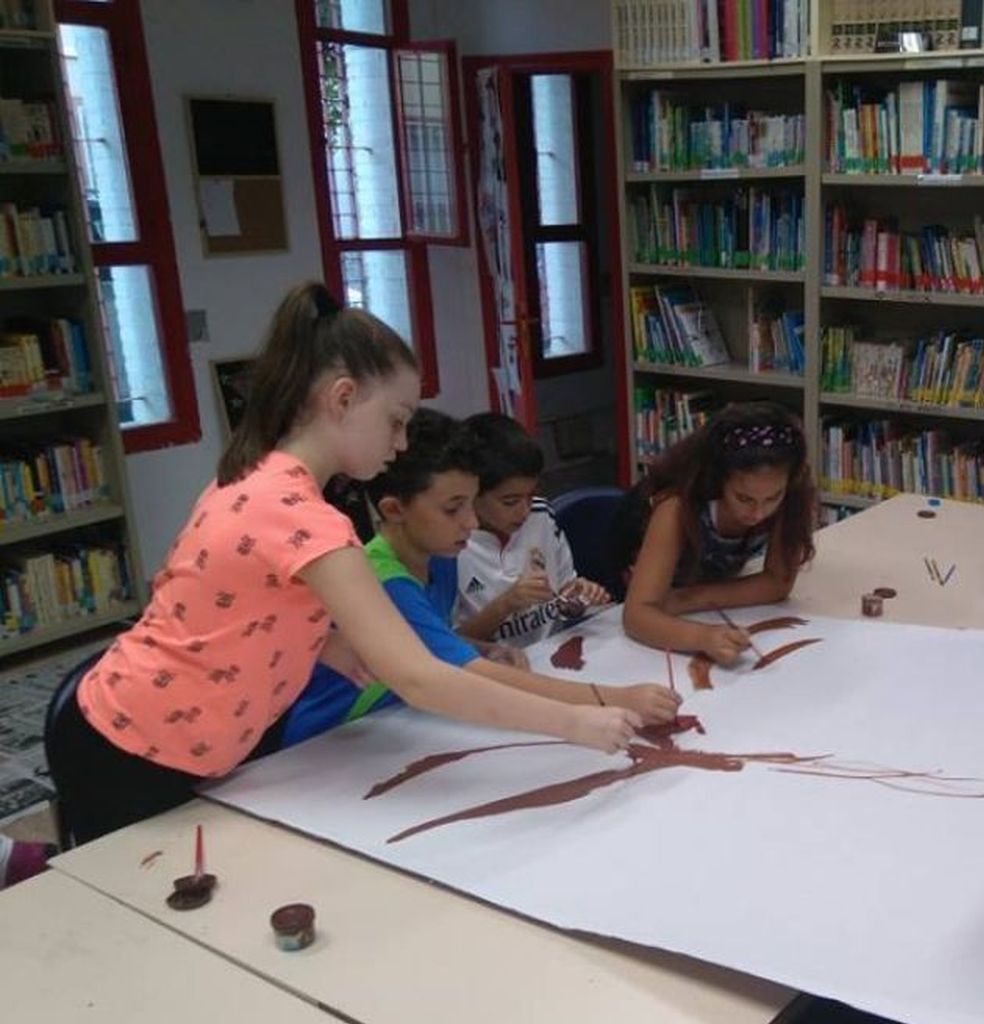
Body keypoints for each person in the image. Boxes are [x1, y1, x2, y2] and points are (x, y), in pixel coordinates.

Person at [47, 283, 642, 847]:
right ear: (343, 399)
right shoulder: (307, 520)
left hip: (182, 733)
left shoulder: (256, 474)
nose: (401, 443)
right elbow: (421, 677)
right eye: (396, 421)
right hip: (133, 745)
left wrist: (318, 638)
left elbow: (226, 594)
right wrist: (575, 723)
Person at [282, 408, 679, 748]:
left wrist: (477, 646)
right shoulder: (385, 583)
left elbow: (429, 641)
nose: (471, 523)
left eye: (471, 505)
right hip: (329, 743)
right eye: (453, 509)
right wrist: (609, 699)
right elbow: (467, 676)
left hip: (395, 721)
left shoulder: (439, 553)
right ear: (395, 510)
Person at [616, 401, 816, 663]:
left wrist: (686, 599)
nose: (758, 513)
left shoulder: (792, 494)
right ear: (718, 479)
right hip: (618, 600)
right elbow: (636, 615)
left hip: (688, 597)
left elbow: (777, 583)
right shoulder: (677, 508)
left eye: (772, 498)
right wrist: (702, 637)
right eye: (744, 498)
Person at [453, 412, 609, 649]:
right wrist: (505, 604)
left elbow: (563, 598)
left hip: (550, 654)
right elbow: (449, 644)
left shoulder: (541, 515)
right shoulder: (450, 546)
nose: (525, 511)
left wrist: (578, 597)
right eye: (510, 502)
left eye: (531, 495)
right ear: (471, 493)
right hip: (492, 665)